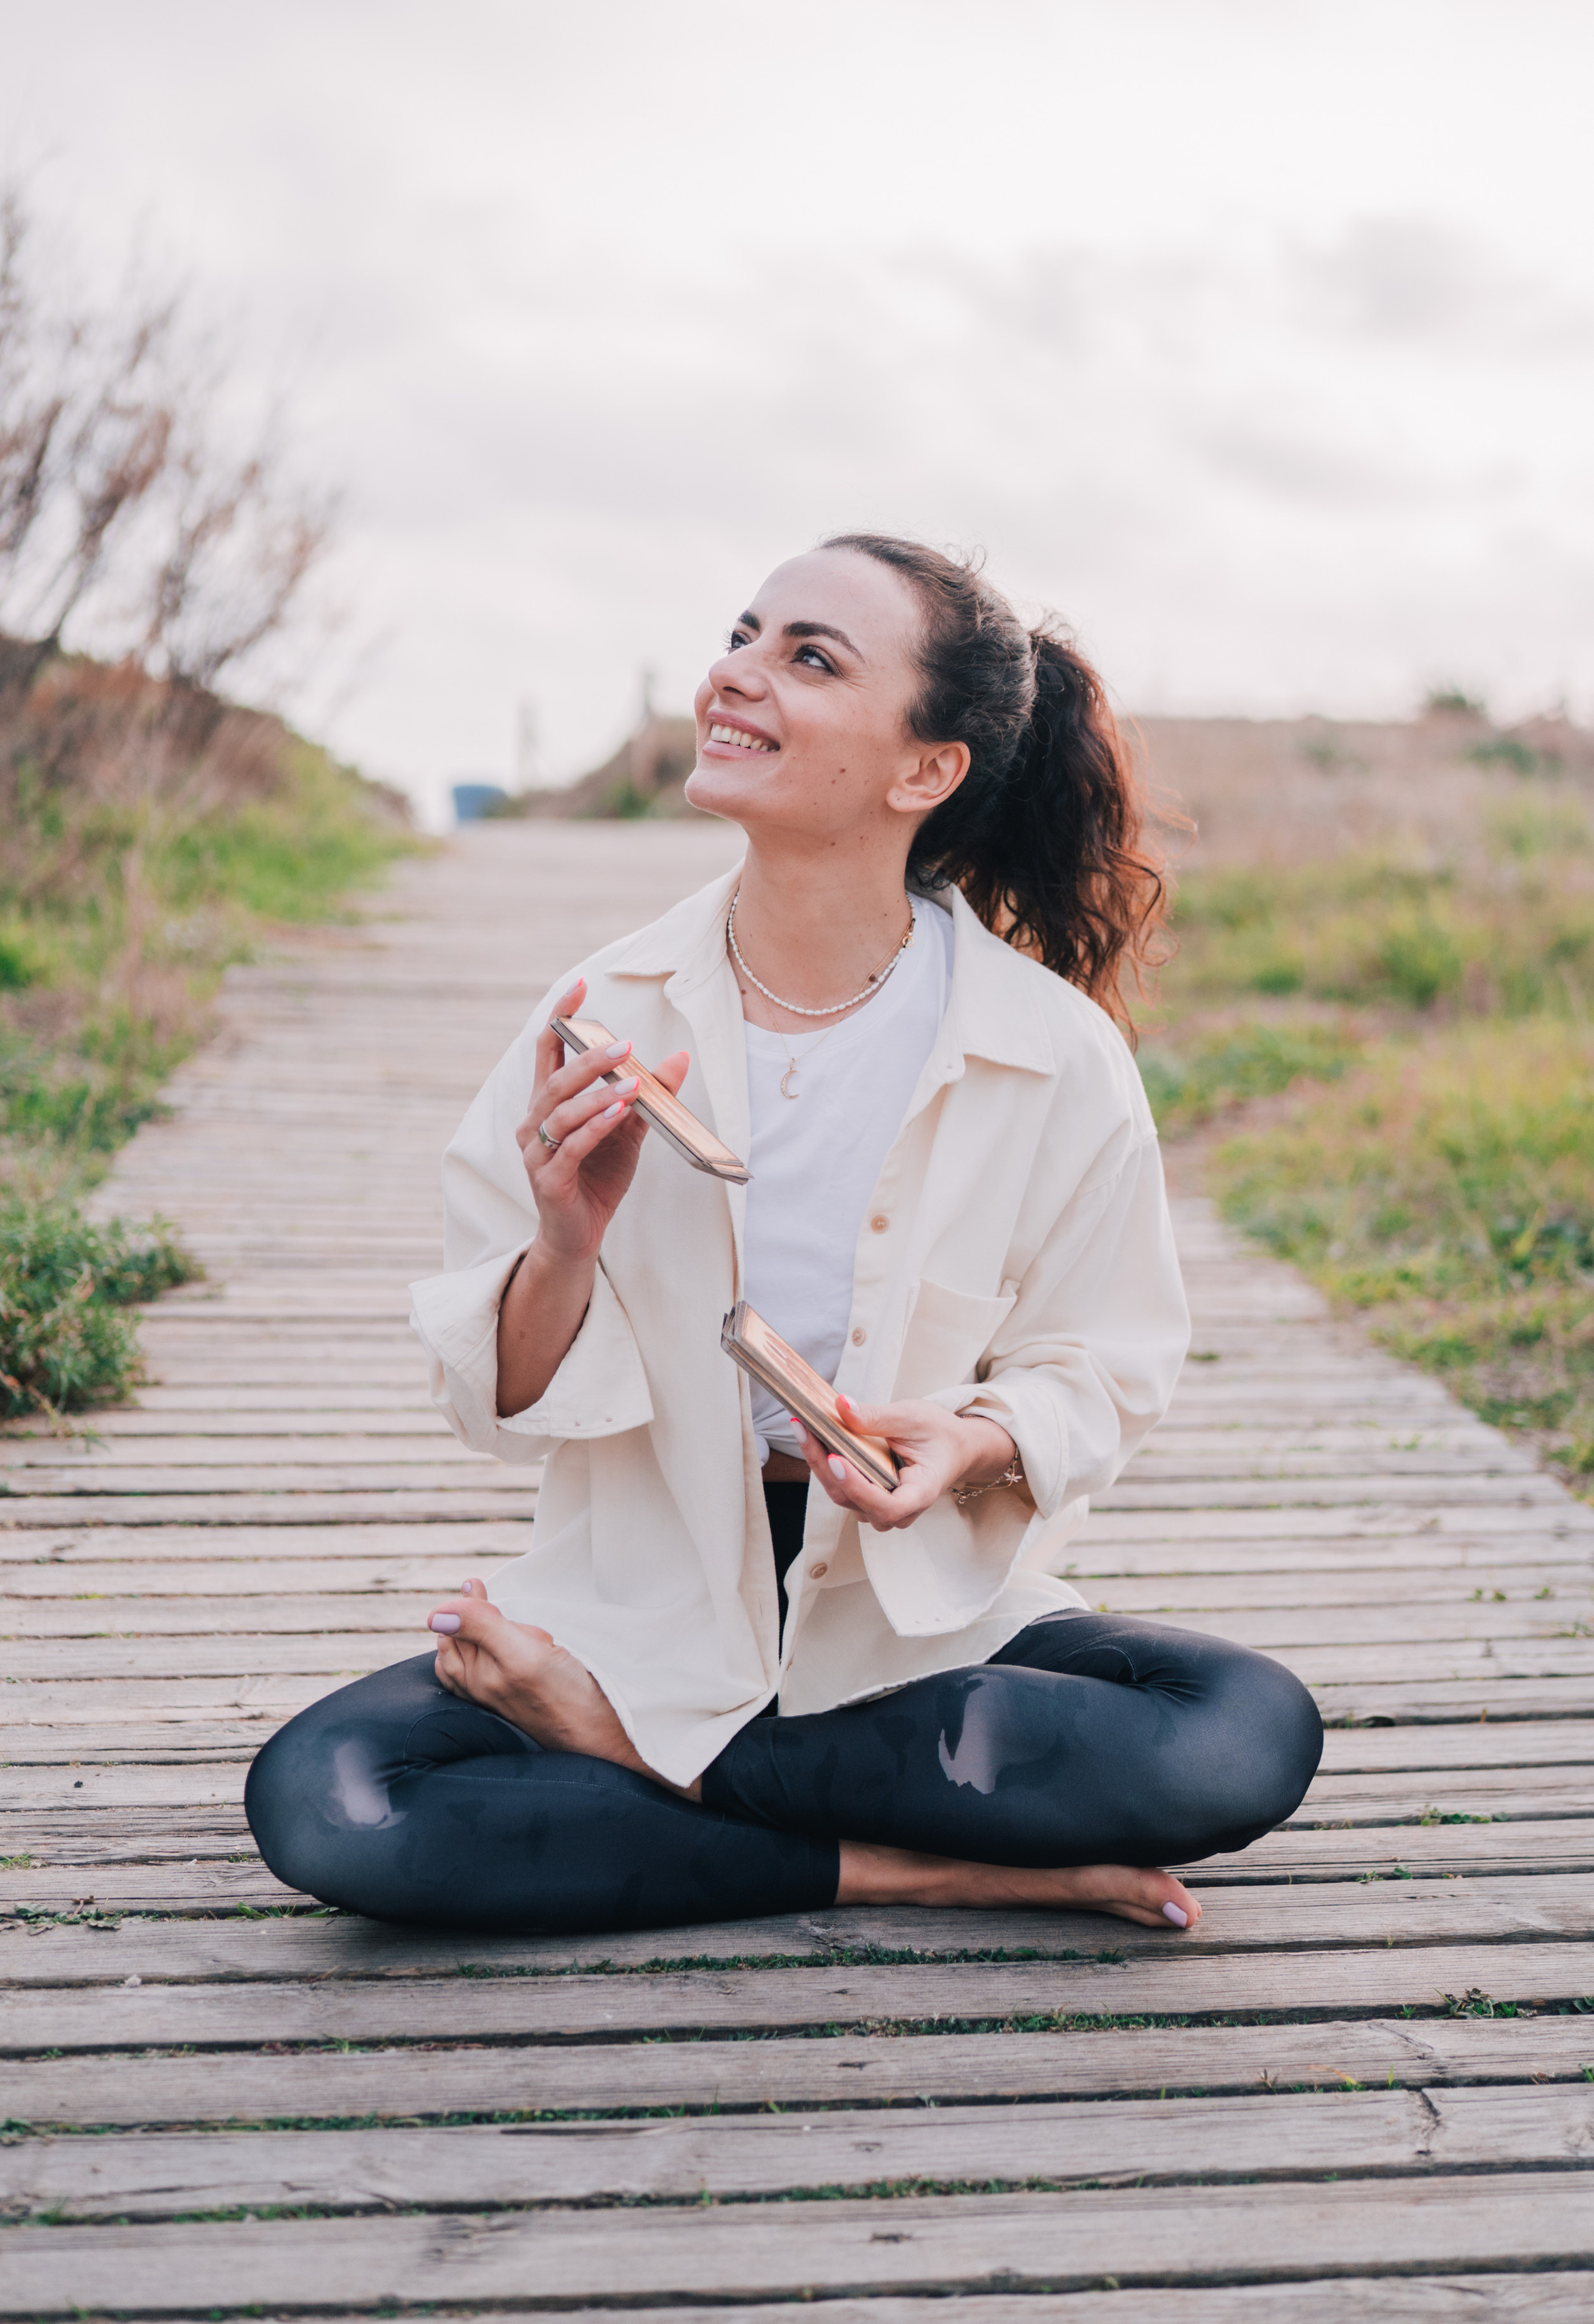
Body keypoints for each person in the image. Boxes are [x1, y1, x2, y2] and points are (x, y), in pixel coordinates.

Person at [246, 535, 1322, 1935]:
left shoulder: (1047, 1054)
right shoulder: (601, 1011)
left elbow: (1100, 1362)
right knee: (330, 1798)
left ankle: (622, 1757)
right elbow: (494, 1405)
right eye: (744, 634)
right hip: (644, 1592)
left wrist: (976, 1440)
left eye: (806, 658)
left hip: (903, 1615)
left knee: (1241, 1729)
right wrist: (563, 1242)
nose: (732, 676)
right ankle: (906, 1859)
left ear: (921, 770)